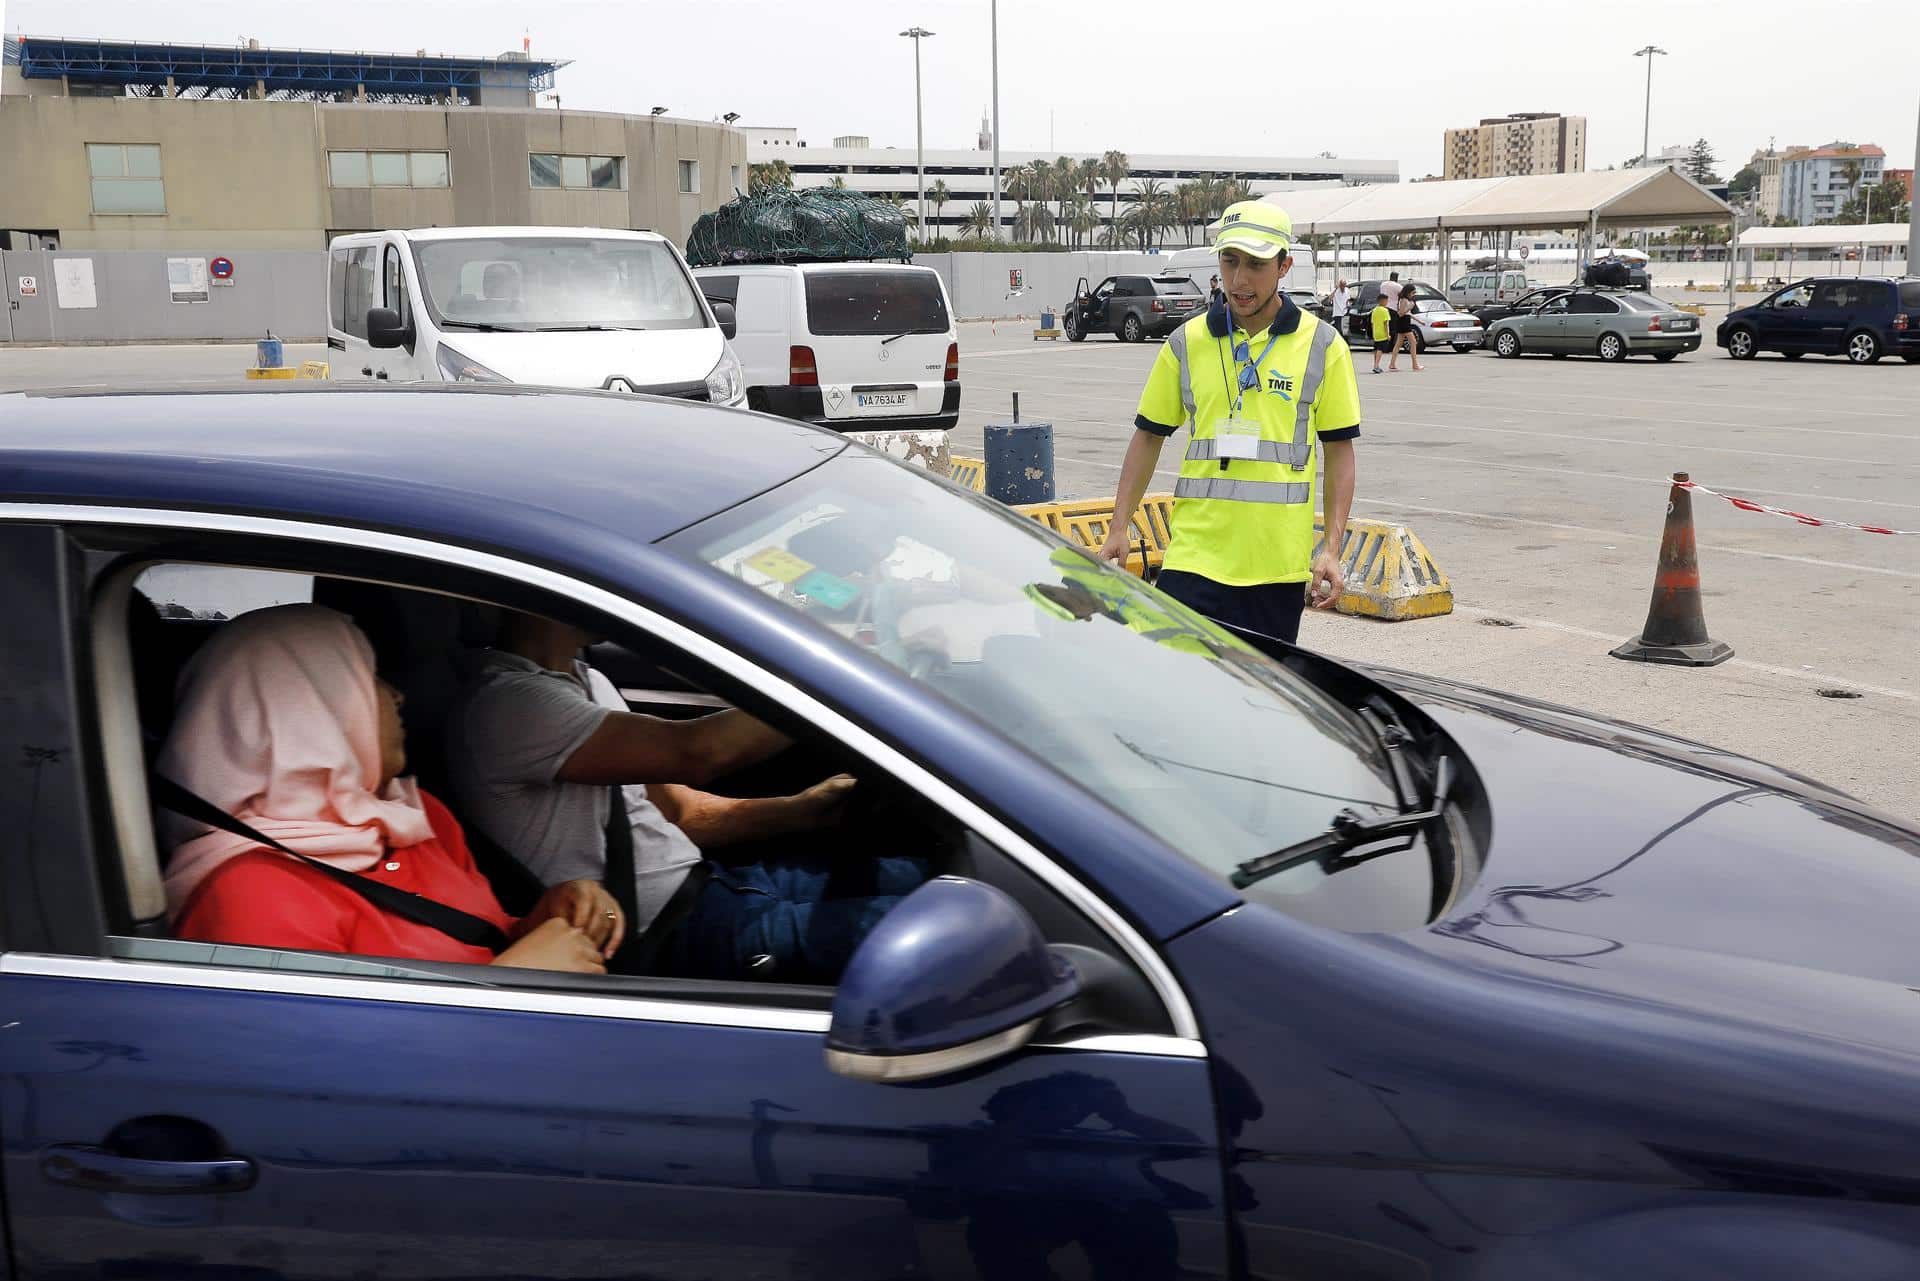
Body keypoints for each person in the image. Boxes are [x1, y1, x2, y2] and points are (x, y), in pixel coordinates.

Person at [447, 611, 929, 983]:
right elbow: (700, 753)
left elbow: (677, 810)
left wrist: (803, 811)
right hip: (670, 938)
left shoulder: (583, 679)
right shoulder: (509, 703)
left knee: (943, 881)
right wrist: (845, 676)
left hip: (714, 889)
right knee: (950, 934)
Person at [161, 604, 614, 974]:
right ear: (308, 710)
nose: (397, 695)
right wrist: (515, 983)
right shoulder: (251, 895)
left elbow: (477, 942)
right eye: (369, 677)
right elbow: (307, 1066)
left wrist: (547, 918)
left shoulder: (413, 816)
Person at [1095, 199, 1360, 653]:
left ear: (1284, 266)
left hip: (1276, 570)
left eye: (1256, 264)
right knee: (1179, 697)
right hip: (1192, 562)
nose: (1240, 280)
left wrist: (1332, 549)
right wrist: (1120, 524)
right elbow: (1148, 437)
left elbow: (1339, 453)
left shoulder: (1322, 345)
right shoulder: (1186, 343)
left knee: (1257, 708)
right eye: (1230, 261)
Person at [1388, 281, 1423, 373]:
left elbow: (1408, 314)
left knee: (1398, 344)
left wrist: (1419, 321)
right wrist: (1410, 307)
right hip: (1403, 322)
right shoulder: (1403, 300)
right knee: (1413, 342)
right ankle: (1415, 364)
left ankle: (1392, 364)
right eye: (1412, 293)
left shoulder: (1406, 300)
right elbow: (1400, 313)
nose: (1413, 295)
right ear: (1408, 292)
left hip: (1405, 321)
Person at [1368, 287, 1394, 374]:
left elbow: (1372, 323)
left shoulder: (1374, 310)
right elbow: (1386, 324)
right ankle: (1376, 365)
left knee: (1376, 349)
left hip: (1376, 333)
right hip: (1382, 334)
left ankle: (1376, 365)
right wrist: (1388, 335)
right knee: (1380, 350)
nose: (1387, 303)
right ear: (1382, 301)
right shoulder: (1385, 311)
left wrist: (1373, 333)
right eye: (1386, 301)